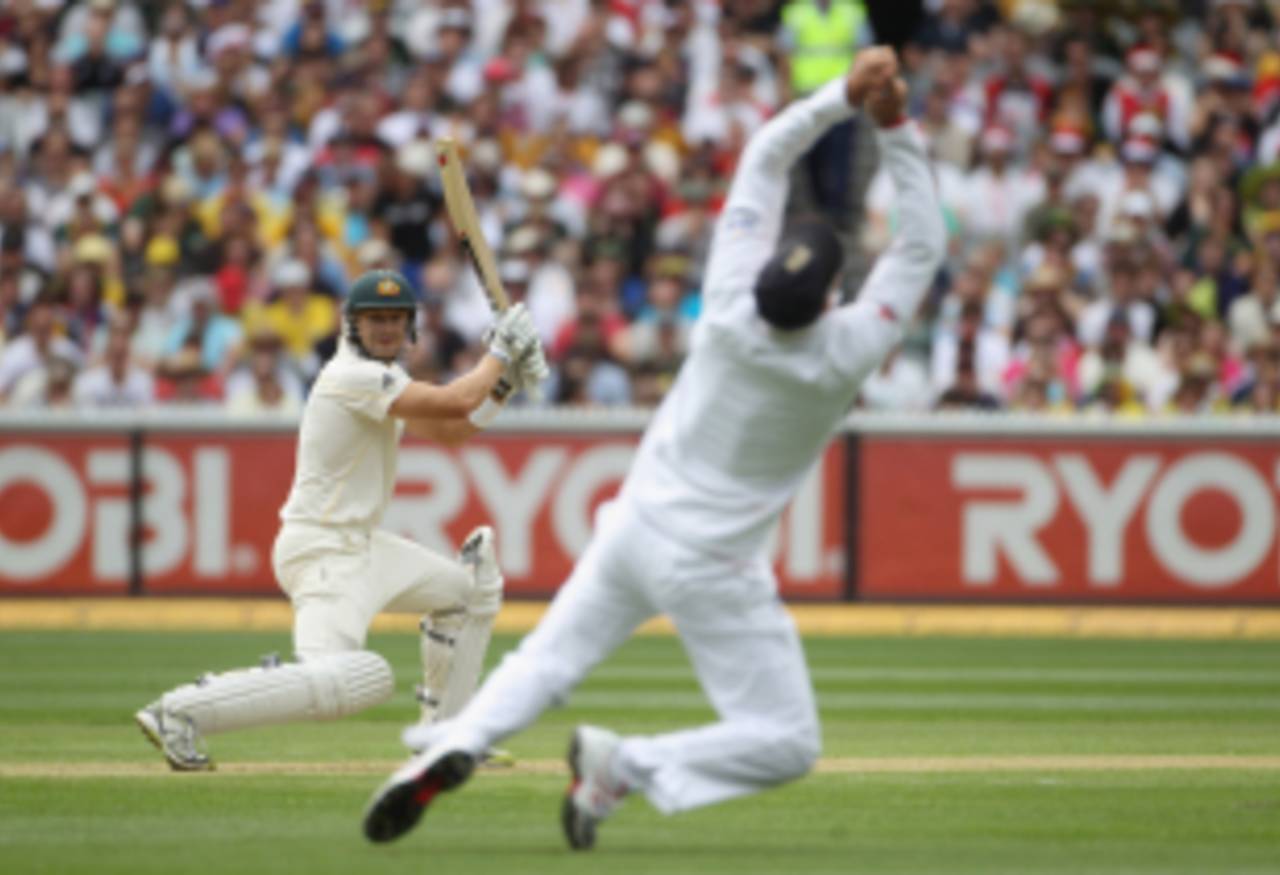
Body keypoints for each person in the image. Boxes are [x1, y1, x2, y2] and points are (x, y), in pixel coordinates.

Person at [361, 47, 945, 848]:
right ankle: (628, 764)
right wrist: (895, 126)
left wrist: (840, 99)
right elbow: (919, 250)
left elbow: (766, 156)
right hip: (715, 562)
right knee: (786, 739)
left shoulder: (730, 305)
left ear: (767, 269)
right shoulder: (844, 352)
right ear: (834, 298)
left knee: (547, 660)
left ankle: (449, 742)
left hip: (633, 527)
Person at [134, 270, 548, 771]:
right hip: (323, 551)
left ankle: (448, 738)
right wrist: (501, 354)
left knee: (471, 591)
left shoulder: (384, 382)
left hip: (363, 546)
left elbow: (451, 431)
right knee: (350, 679)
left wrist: (504, 384)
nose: (387, 329)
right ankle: (180, 710)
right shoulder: (351, 375)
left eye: (397, 319)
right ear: (351, 324)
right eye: (376, 319)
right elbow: (455, 400)